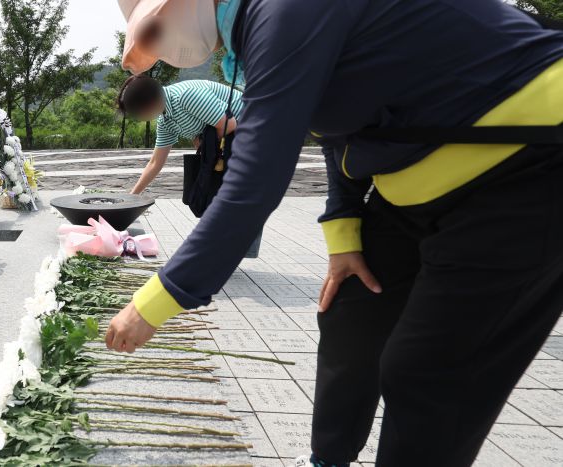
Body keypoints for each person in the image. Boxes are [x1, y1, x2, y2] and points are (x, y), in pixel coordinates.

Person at [106, 1, 563, 466]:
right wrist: (344, 235)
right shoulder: (255, 31)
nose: (163, 45)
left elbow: (258, 175)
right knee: (350, 319)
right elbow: (337, 129)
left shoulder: (284, 10)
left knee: (427, 372)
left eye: (157, 27)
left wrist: (155, 302)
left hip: (526, 163)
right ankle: (328, 460)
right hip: (407, 187)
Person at [115, 75, 242, 194]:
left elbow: (229, 124)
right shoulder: (165, 120)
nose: (137, 118)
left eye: (136, 113)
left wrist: (205, 144)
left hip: (253, 123)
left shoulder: (185, 96)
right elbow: (155, 163)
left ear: (149, 105)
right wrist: (132, 196)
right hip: (237, 142)